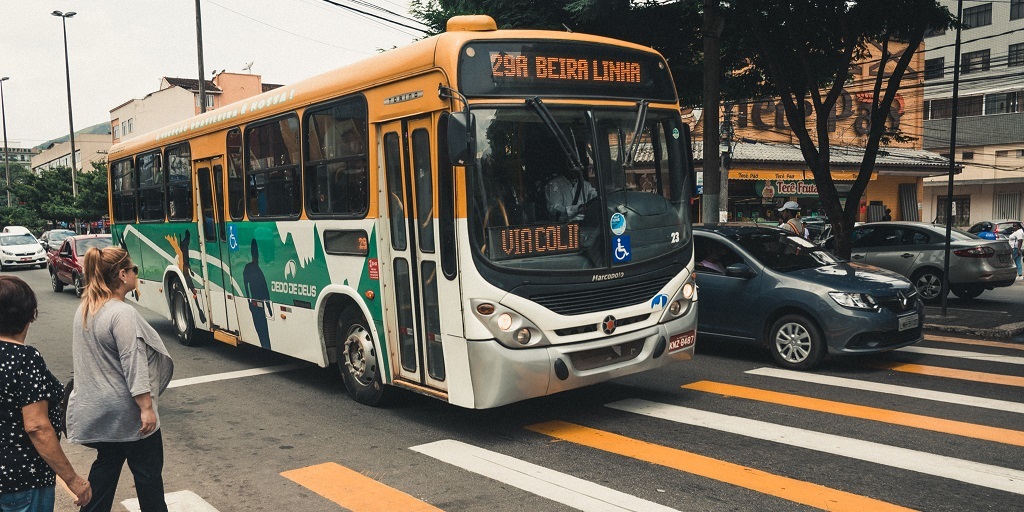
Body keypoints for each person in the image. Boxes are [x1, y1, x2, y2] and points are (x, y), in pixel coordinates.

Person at [67, 247, 174, 512]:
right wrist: (146, 409)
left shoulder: (86, 309)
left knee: (104, 472)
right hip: (129, 414)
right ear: (122, 275)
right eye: (134, 270)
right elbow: (132, 362)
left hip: (101, 412)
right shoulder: (121, 313)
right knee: (149, 481)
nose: (136, 274)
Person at [0, 276, 92, 512]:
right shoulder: (25, 359)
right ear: (30, 314)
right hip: (22, 482)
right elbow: (37, 427)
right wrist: (72, 479)